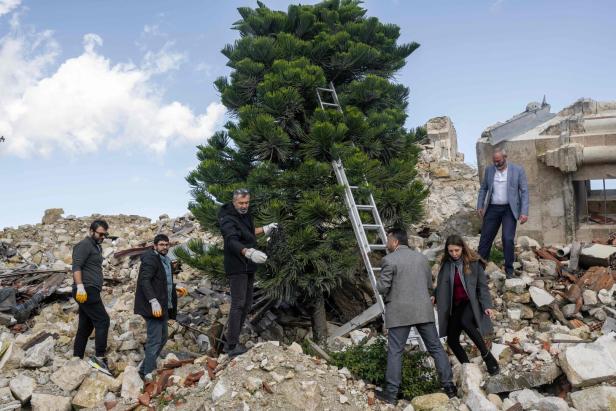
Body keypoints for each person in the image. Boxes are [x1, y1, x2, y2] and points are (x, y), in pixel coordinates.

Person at [376, 228, 456, 405]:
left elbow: (382, 288)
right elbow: (429, 285)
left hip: (400, 312)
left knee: (396, 351)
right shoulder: (421, 258)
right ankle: (449, 387)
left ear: (395, 242)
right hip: (423, 310)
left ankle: (391, 394)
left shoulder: (388, 260)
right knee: (435, 347)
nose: (386, 242)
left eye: (388, 239)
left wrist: (378, 281)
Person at [219, 188, 277, 357]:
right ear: (234, 201)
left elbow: (248, 232)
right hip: (237, 265)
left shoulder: (245, 215)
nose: (244, 206)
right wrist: (248, 252)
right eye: (241, 203)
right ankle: (231, 346)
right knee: (238, 303)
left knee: (247, 302)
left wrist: (265, 229)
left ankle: (232, 339)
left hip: (249, 266)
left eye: (247, 202)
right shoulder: (227, 218)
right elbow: (231, 240)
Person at [434, 235, 499, 375]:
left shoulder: (473, 263)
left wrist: (487, 306)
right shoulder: (446, 265)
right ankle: (468, 367)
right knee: (451, 339)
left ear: (462, 248)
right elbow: (441, 285)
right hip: (455, 305)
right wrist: (434, 295)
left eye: (456, 250)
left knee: (465, 320)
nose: (454, 254)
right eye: (451, 251)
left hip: (471, 302)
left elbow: (482, 287)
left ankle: (488, 357)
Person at [134, 234, 188, 379]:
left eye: (167, 245)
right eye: (162, 245)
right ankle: (147, 374)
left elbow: (163, 281)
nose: (165, 247)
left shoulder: (166, 260)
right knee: (155, 339)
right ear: (155, 245)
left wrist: (175, 289)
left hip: (163, 305)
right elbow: (145, 281)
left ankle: (145, 368)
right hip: (152, 307)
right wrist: (153, 301)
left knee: (163, 337)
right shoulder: (151, 259)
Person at [477, 147, 529, 279]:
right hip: (492, 208)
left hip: (509, 210)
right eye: (494, 161)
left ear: (505, 158)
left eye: (499, 161)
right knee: (485, 238)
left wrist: (524, 212)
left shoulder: (517, 170)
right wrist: (480, 206)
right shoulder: (489, 170)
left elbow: (524, 192)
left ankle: (509, 270)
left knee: (508, 238)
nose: (496, 164)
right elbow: (483, 189)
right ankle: (479, 268)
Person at [72, 219, 111, 375]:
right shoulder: (84, 245)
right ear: (91, 231)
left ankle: (76, 358)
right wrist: (80, 286)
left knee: (86, 326)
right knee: (103, 320)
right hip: (86, 290)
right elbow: (76, 266)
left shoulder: (96, 247)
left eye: (105, 234)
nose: (103, 237)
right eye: (100, 233)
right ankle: (99, 359)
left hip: (90, 289)